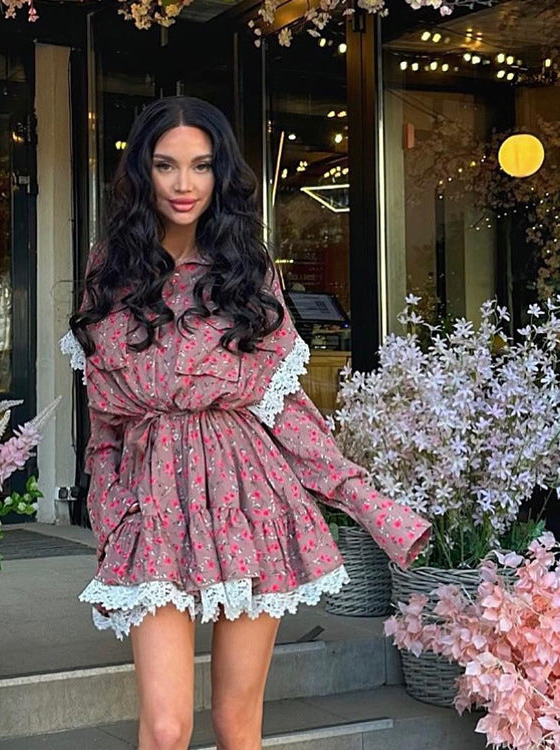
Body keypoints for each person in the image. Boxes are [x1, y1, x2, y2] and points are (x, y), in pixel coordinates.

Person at [60, 96, 430, 750]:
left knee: (237, 725)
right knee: (167, 728)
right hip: (154, 509)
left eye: (199, 167)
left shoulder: (246, 270)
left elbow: (284, 409)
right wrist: (111, 511)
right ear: (142, 172)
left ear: (219, 174)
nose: (183, 184)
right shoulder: (109, 272)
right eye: (166, 165)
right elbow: (106, 420)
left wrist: (367, 502)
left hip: (248, 503)